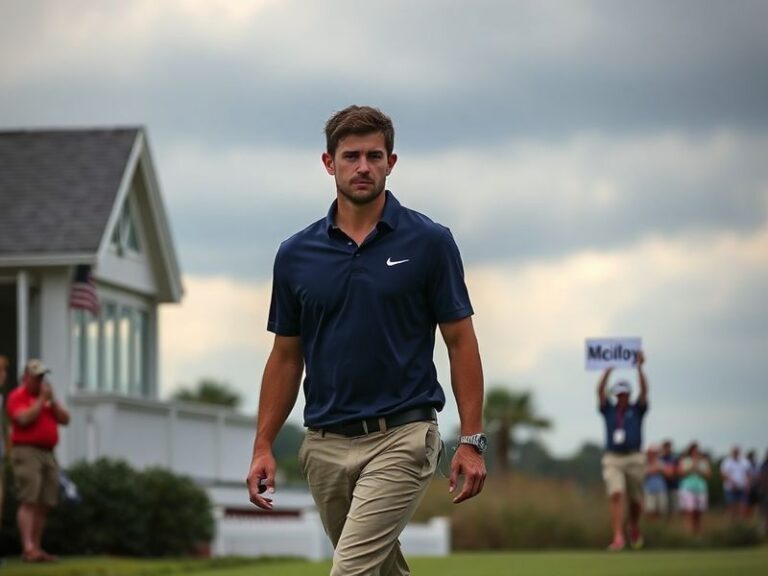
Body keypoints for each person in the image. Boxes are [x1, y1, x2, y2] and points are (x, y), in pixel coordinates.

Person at [245, 105, 486, 576]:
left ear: (391, 163)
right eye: (351, 156)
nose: (363, 167)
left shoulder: (430, 242)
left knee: (350, 570)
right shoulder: (295, 255)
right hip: (324, 446)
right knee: (378, 570)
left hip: (403, 436)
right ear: (328, 162)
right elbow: (286, 357)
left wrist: (472, 439)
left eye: (374, 156)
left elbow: (461, 341)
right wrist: (262, 445)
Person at [6, 359, 70, 563]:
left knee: (45, 502)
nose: (40, 381)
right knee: (29, 500)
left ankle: (36, 547)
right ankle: (28, 548)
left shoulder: (47, 398)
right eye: (36, 377)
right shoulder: (17, 396)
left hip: (48, 452)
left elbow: (65, 419)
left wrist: (53, 401)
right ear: (25, 378)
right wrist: (41, 400)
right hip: (26, 451)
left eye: (42, 377)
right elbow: (23, 419)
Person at [597, 350, 648, 551]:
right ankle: (618, 536)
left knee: (636, 501)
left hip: (635, 457)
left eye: (624, 393)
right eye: (618, 394)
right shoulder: (609, 410)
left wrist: (640, 368)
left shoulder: (637, 409)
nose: (621, 397)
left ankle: (633, 525)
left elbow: (645, 392)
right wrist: (607, 370)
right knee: (616, 494)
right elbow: (599, 392)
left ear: (629, 394)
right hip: (613, 458)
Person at [677, 442, 711, 535]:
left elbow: (708, 475)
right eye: (694, 450)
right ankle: (689, 533)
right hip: (687, 489)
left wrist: (699, 469)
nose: (696, 452)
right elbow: (680, 473)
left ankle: (699, 534)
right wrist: (691, 467)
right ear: (690, 451)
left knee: (699, 513)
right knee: (690, 512)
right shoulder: (685, 461)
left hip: (700, 489)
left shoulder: (703, 461)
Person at [720, 445, 750, 521]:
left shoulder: (744, 461)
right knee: (732, 507)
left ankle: (742, 524)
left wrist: (748, 484)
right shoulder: (726, 462)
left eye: (737, 452)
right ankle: (733, 525)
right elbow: (723, 474)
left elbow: (748, 474)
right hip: (730, 488)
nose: (735, 453)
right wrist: (732, 483)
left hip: (742, 487)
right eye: (734, 452)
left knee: (743, 506)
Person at [643, 444, 668, 521]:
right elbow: (643, 473)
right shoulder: (644, 463)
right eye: (650, 453)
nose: (652, 455)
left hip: (660, 489)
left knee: (661, 510)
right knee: (650, 510)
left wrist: (654, 470)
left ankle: (658, 527)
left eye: (654, 453)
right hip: (649, 490)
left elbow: (667, 472)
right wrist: (654, 470)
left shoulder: (661, 462)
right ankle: (652, 527)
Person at [659, 439, 679, 518]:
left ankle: (673, 524)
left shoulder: (675, 458)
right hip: (663, 486)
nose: (667, 449)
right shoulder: (661, 459)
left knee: (674, 507)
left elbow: (678, 470)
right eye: (666, 447)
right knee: (664, 508)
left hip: (674, 486)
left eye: (669, 447)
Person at [745, 449, 760, 519]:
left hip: (756, 486)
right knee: (747, 504)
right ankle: (747, 518)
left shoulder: (757, 464)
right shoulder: (745, 465)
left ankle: (753, 517)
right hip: (748, 487)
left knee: (756, 504)